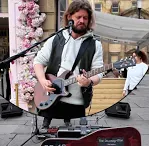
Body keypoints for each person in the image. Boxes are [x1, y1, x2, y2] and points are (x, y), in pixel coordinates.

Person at [33, 0, 104, 131]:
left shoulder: (95, 45)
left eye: (85, 18)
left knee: (75, 141)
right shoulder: (56, 38)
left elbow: (99, 72)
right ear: (69, 17)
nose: (82, 21)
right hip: (51, 98)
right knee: (43, 136)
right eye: (78, 17)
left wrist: (89, 82)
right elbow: (38, 62)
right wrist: (43, 81)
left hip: (77, 102)